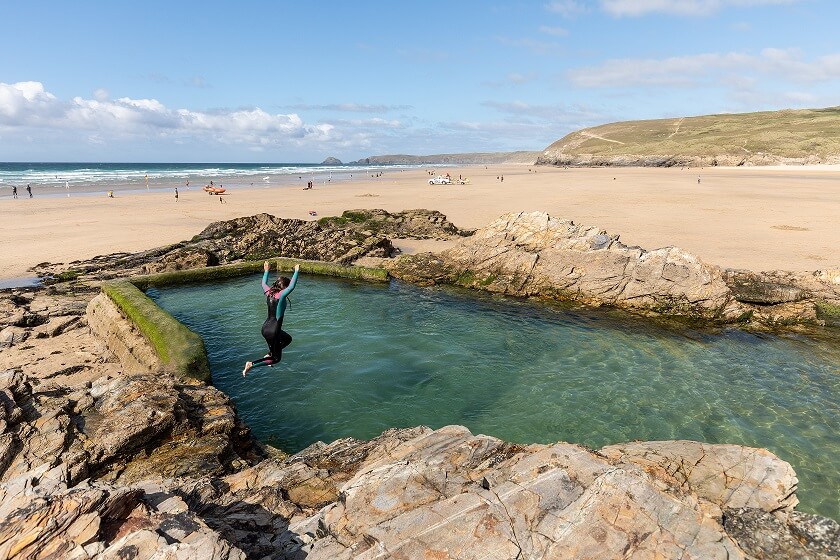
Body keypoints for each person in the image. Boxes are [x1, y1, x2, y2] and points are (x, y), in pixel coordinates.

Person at [243, 261, 300, 376]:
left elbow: (263, 283)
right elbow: (292, 286)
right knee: (276, 359)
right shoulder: (282, 295)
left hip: (266, 328)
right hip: (273, 331)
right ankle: (251, 364)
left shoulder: (269, 293)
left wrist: (266, 271)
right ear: (284, 288)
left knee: (287, 339)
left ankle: (269, 354)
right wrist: (296, 272)